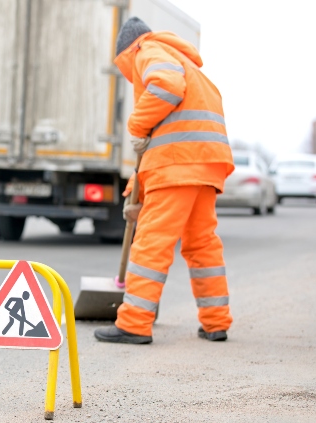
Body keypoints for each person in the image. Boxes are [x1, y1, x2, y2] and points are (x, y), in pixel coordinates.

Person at [94, 17, 234, 344]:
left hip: (178, 165)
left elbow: (167, 85)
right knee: (202, 244)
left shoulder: (147, 50)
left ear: (125, 51)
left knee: (152, 242)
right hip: (205, 163)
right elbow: (172, 133)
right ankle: (216, 322)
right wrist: (135, 191)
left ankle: (134, 323)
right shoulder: (186, 62)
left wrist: (137, 126)